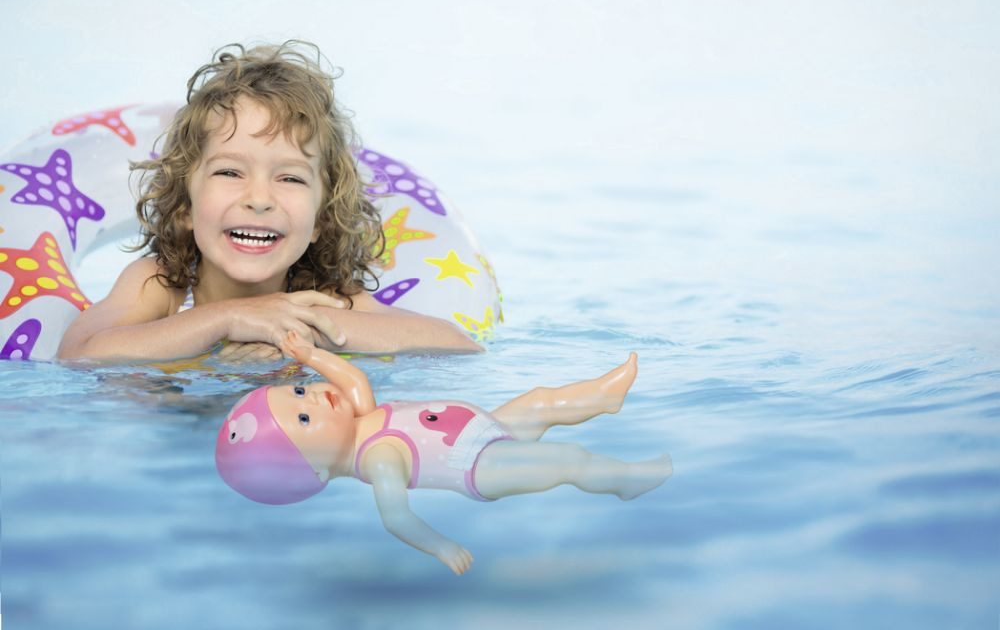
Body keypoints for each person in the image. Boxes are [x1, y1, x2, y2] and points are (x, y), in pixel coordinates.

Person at [58, 41, 479, 363]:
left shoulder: (321, 296)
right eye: (229, 172)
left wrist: (300, 326)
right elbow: (79, 352)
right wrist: (227, 319)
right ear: (185, 206)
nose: (259, 198)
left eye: (290, 178)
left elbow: (458, 345)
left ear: (319, 219)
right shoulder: (162, 284)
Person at [215, 332, 673, 575]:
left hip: (485, 429)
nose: (313, 398)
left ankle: (603, 396)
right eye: (303, 419)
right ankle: (626, 481)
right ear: (316, 470)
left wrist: (311, 355)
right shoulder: (377, 457)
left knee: (541, 401)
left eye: (299, 392)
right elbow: (396, 518)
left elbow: (353, 379)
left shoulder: (360, 416)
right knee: (566, 460)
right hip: (481, 465)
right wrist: (442, 547)